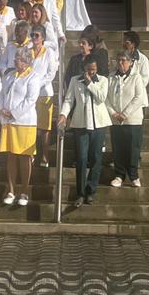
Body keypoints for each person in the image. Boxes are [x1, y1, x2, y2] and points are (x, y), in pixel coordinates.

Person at [59, 56, 112, 207]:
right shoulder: (75, 80)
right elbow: (69, 99)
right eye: (88, 69)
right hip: (81, 123)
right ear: (84, 68)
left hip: (99, 124)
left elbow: (101, 97)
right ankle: (80, 193)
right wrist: (63, 114)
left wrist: (89, 83)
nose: (91, 72)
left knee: (96, 158)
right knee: (81, 158)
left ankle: (91, 191)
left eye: (93, 69)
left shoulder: (103, 80)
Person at [0, 45, 43, 207]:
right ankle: (11, 190)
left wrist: (14, 113)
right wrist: (1, 109)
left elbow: (30, 100)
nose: (15, 61)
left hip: (24, 122)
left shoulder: (33, 77)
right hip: (8, 122)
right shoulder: (9, 75)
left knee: (24, 157)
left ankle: (24, 191)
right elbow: (1, 94)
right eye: (15, 58)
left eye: (17, 58)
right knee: (11, 156)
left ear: (26, 61)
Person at [107, 50, 149, 188]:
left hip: (133, 120)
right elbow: (106, 98)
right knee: (118, 147)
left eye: (123, 60)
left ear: (130, 62)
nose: (120, 63)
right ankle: (119, 175)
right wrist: (114, 113)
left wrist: (125, 114)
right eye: (118, 60)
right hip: (116, 120)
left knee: (133, 148)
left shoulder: (136, 77)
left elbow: (139, 98)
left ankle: (133, 175)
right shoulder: (111, 77)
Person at [29, 24, 58, 167]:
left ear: (43, 38)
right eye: (32, 35)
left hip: (44, 93)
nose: (34, 37)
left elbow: (51, 73)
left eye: (37, 35)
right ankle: (31, 154)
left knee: (45, 127)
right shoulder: (27, 51)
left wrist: (37, 85)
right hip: (29, 94)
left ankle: (45, 156)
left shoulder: (49, 52)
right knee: (31, 125)